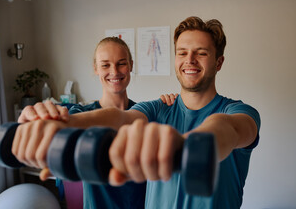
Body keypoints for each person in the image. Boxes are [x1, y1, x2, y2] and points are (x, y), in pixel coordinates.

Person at [13, 16, 260, 209]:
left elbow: (228, 128)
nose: (190, 60)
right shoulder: (157, 108)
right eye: (183, 52)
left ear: (218, 62)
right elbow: (119, 117)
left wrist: (191, 145)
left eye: (201, 53)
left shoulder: (239, 111)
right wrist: (65, 122)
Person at [18, 36, 178, 209]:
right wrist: (39, 123)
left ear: (131, 65)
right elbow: (61, 134)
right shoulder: (81, 114)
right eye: (105, 65)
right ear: (96, 68)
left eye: (121, 63)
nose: (114, 71)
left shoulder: (146, 114)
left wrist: (173, 103)